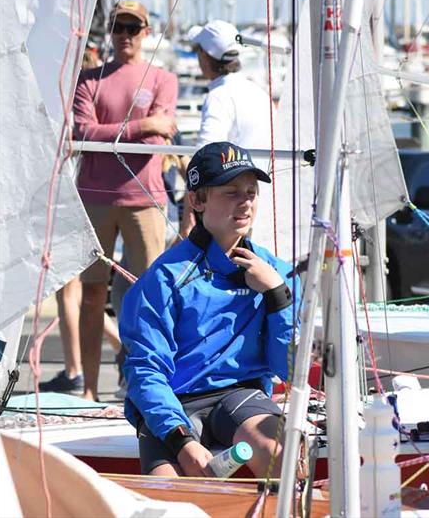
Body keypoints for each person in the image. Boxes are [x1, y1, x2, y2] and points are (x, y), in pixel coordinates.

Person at [119, 141, 299, 478]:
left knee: (279, 452)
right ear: (197, 201)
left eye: (251, 191)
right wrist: (182, 442)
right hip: (173, 403)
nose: (245, 201)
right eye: (231, 192)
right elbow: (145, 372)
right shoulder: (163, 279)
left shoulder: (277, 273)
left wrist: (277, 296)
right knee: (165, 491)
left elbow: (287, 370)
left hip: (240, 396)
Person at [73, 0, 178, 400]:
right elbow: (83, 132)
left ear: (146, 32)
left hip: (144, 197)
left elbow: (159, 137)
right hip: (95, 197)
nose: (126, 35)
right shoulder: (88, 80)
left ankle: (151, 384)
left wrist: (115, 133)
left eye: (134, 28)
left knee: (151, 295)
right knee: (92, 293)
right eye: (119, 26)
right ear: (110, 30)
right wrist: (143, 125)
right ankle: (87, 387)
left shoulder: (164, 79)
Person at [179, 20, 273, 239]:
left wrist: (187, 219)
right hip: (258, 201)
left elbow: (202, 160)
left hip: (233, 210)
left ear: (204, 56)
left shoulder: (219, 96)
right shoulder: (258, 92)